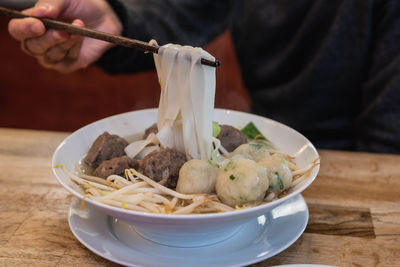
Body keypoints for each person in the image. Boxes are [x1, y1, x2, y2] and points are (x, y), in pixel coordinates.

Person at [8, 0, 400, 153]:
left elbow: (389, 144)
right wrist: (114, 21)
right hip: (262, 140)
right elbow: (177, 18)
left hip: (354, 163)